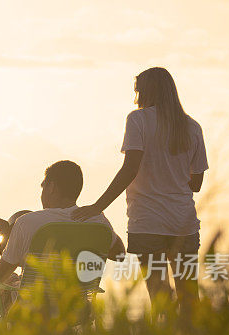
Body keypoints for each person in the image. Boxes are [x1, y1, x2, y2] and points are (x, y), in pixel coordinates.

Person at [72, 67, 208, 310]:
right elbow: (196, 184)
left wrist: (97, 207)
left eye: (138, 91)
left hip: (148, 223)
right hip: (183, 223)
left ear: (148, 91)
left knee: (159, 298)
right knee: (190, 297)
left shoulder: (138, 119)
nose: (136, 97)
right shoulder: (192, 127)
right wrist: (172, 180)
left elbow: (130, 168)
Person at [0, 160, 125, 285]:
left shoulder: (26, 223)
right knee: (15, 280)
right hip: (78, 310)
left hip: (33, 312)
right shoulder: (98, 221)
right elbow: (120, 255)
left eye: (43, 186)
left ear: (51, 187)